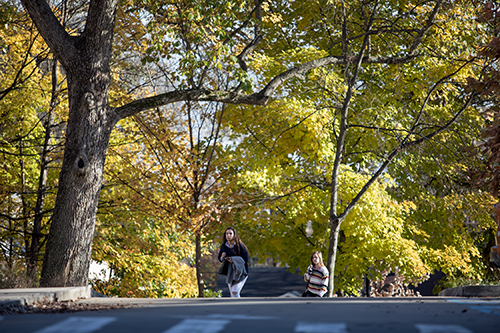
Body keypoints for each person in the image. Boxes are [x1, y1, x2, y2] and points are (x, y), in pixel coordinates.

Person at [218, 227, 249, 297]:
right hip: (230, 272)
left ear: (234, 235)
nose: (228, 235)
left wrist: (233, 260)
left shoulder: (239, 246)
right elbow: (219, 258)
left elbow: (245, 259)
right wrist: (222, 257)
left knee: (235, 292)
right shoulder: (224, 246)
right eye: (227, 233)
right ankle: (236, 307)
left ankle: (237, 307)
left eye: (230, 233)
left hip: (241, 272)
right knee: (233, 294)